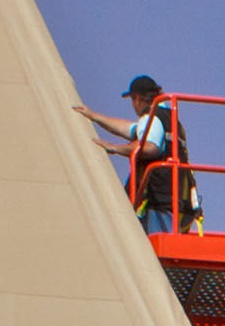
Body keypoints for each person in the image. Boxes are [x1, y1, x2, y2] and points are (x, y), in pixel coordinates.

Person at [73, 76, 196, 232]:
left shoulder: (151, 117)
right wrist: (95, 117)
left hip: (160, 201)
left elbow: (150, 147)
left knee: (149, 250)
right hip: (179, 202)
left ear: (136, 98)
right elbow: (129, 129)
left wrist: (116, 149)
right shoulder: (169, 119)